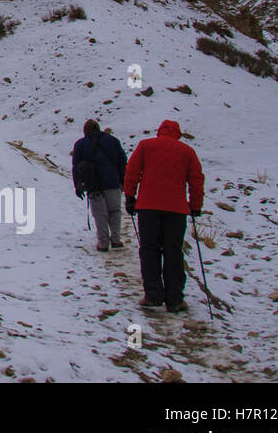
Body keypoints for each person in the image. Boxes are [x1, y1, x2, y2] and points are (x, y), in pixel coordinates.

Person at [123, 119, 205, 313]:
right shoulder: (187, 151)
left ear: (159, 131)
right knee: (173, 251)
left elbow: (132, 171)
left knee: (149, 249)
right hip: (176, 210)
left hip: (148, 207)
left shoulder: (146, 145)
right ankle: (175, 299)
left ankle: (153, 295)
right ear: (178, 133)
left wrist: (129, 196)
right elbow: (196, 180)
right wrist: (195, 206)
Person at [71, 120, 128, 251]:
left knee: (100, 214)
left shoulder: (80, 144)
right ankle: (116, 239)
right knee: (114, 211)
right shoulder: (113, 140)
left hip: (93, 184)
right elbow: (122, 160)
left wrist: (78, 185)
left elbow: (76, 166)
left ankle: (103, 243)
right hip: (113, 181)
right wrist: (122, 179)